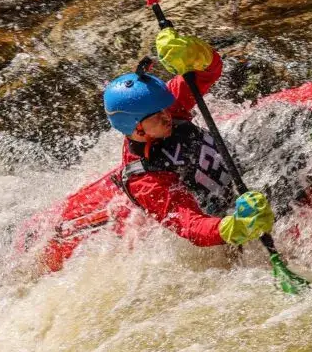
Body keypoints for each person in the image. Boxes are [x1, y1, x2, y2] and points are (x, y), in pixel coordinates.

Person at [103, 27, 274, 247]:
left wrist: (195, 52)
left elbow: (209, 71)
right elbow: (190, 225)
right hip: (221, 210)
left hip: (238, 168)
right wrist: (235, 227)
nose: (168, 115)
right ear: (138, 130)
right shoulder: (146, 180)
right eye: (158, 116)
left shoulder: (163, 106)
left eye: (165, 108)